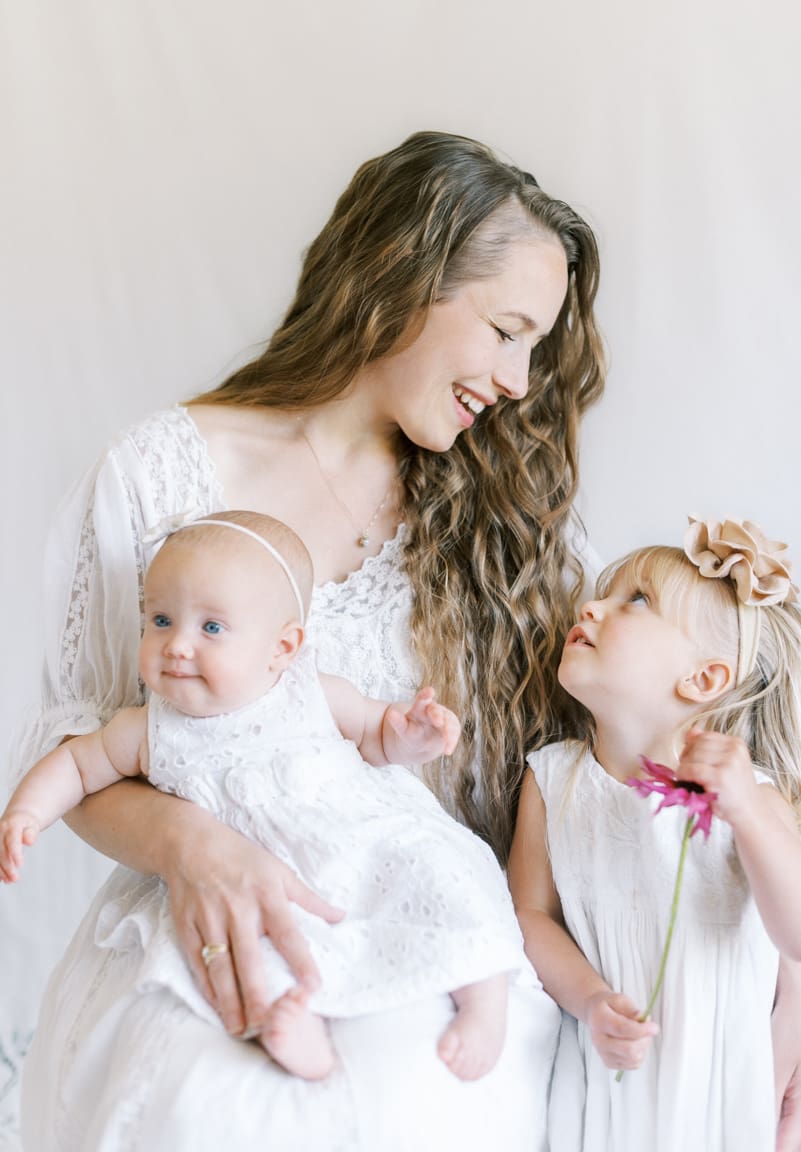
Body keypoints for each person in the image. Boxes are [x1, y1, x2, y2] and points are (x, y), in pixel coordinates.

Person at [14, 130, 801, 1151]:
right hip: (219, 920)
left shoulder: (517, 519)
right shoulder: (163, 476)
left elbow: (661, 750)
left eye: (537, 347)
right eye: (508, 329)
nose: (521, 381)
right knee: (215, 1110)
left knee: (413, 1095)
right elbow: (79, 747)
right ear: (403, 277)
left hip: (438, 930)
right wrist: (196, 848)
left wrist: (783, 980)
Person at [2, 509, 525, 1083]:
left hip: (368, 837)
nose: (176, 645)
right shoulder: (149, 729)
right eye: (160, 619)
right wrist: (28, 810)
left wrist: (413, 734)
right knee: (252, 941)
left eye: (211, 629)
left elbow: (378, 736)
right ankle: (296, 1023)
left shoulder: (307, 691)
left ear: (282, 648)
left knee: (444, 870)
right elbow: (78, 765)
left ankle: (483, 997)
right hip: (271, 875)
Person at [509, 516, 801, 1151]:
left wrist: (746, 813)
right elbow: (529, 915)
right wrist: (588, 1001)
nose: (591, 604)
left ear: (702, 680)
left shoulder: (748, 794)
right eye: (608, 593)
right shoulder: (554, 778)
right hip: (607, 1070)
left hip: (718, 1080)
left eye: (635, 600)